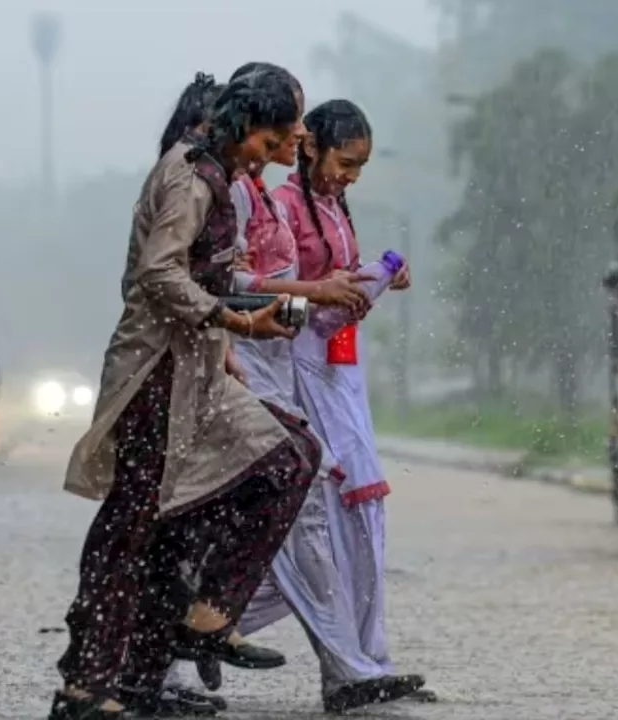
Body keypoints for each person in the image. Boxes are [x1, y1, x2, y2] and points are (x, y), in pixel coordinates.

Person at [50, 67, 321, 720]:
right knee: (134, 524)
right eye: (273, 139)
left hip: (198, 367)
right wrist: (233, 322)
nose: (275, 153)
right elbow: (157, 274)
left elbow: (212, 274)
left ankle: (199, 621)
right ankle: (88, 687)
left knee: (286, 457)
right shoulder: (189, 175)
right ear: (242, 126)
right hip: (155, 375)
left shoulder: (221, 177)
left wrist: (247, 320)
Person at [163, 70, 423, 715]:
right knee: (285, 514)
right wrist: (314, 294)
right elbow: (202, 283)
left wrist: (353, 284)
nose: (298, 132)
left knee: (322, 518)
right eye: (291, 124)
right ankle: (190, 648)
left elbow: (258, 284)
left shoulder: (264, 195)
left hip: (296, 363)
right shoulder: (222, 190)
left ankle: (330, 659)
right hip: (252, 364)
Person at [272, 99, 433, 710]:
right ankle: (348, 665)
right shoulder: (281, 209)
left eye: (361, 166)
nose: (350, 176)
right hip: (297, 372)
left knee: (362, 519)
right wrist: (326, 295)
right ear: (309, 145)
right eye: (345, 162)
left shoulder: (336, 207)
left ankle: (366, 659)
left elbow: (336, 286)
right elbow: (273, 296)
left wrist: (376, 276)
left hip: (342, 372)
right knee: (316, 521)